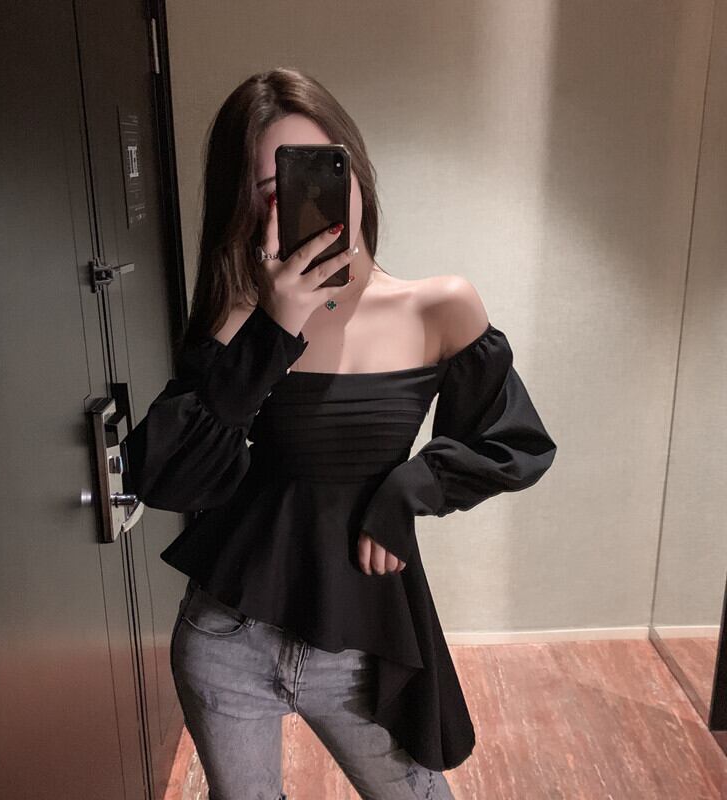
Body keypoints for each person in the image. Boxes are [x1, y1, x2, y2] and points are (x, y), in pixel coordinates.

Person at [124, 67, 557, 800]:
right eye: (273, 190)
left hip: (364, 641)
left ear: (356, 173)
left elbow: (514, 442)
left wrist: (409, 489)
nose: (307, 204)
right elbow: (164, 477)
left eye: (324, 171)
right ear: (246, 208)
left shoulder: (439, 308)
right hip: (227, 637)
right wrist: (272, 331)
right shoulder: (239, 321)